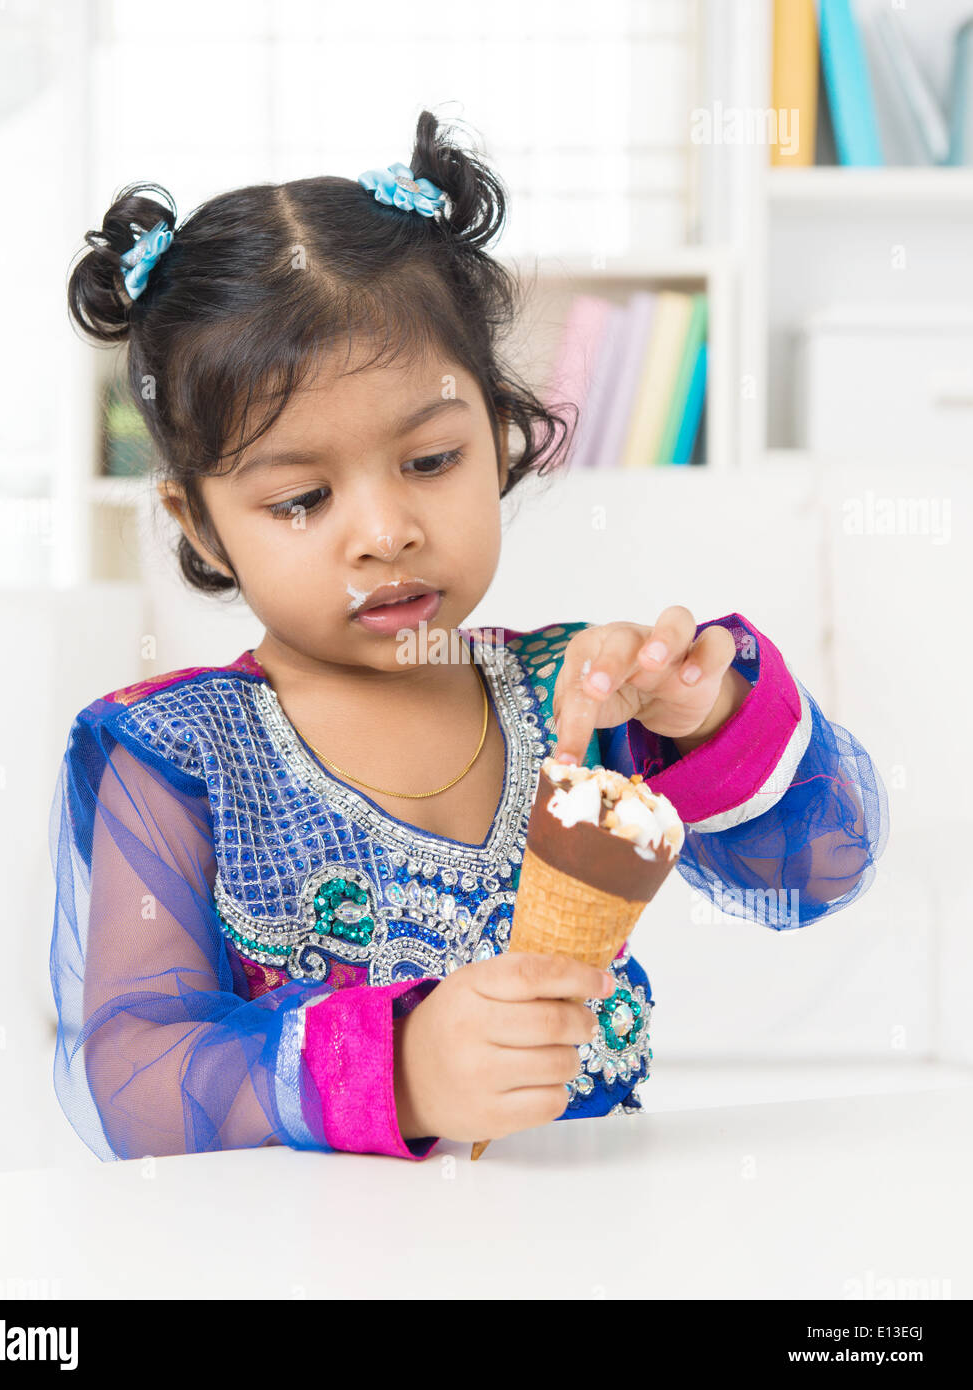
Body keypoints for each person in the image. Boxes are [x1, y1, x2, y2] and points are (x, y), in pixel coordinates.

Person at [51, 110, 888, 1163]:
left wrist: (704, 715)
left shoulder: (577, 700)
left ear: (497, 435)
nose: (385, 530)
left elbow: (818, 868)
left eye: (430, 462)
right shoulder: (180, 758)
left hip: (587, 1245)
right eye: (303, 496)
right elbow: (134, 1078)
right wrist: (399, 1068)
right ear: (201, 523)